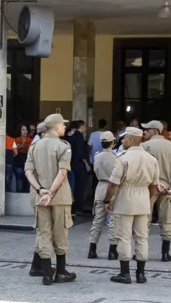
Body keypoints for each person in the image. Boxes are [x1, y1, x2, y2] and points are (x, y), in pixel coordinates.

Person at [103, 127, 159, 284]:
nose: (122, 141)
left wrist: (107, 201)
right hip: (143, 200)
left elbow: (113, 185)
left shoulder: (123, 158)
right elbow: (154, 186)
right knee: (142, 238)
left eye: (125, 138)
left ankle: (125, 273)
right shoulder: (151, 159)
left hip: (125, 200)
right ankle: (141, 274)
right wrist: (146, 198)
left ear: (133, 140)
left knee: (124, 237)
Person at [25, 113, 76, 286]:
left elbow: (28, 172)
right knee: (60, 232)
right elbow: (62, 172)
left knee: (43, 232)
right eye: (62, 125)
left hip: (40, 195)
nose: (64, 127)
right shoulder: (64, 146)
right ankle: (61, 271)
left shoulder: (35, 146)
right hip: (59, 196)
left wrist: (41, 190)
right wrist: (51, 192)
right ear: (56, 127)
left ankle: (46, 272)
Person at [141, 120, 171, 262]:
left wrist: (156, 182)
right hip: (167, 189)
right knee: (166, 221)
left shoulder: (145, 146)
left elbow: (143, 168)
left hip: (150, 188)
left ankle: (141, 253)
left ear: (155, 130)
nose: (144, 131)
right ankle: (165, 254)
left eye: (147, 129)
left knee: (144, 220)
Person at [88, 131, 118, 260]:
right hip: (113, 188)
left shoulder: (97, 156)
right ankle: (112, 250)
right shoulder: (117, 157)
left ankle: (92, 249)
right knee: (113, 220)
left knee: (97, 220)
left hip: (100, 187)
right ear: (112, 142)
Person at [65, 120, 90, 216]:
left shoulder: (68, 136)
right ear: (81, 127)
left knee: (72, 186)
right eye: (84, 126)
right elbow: (80, 152)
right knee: (80, 186)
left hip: (70, 164)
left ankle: (71, 208)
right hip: (79, 165)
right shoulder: (79, 136)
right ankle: (78, 207)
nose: (85, 129)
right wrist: (86, 164)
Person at [15, 124, 33, 192]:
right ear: (20, 131)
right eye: (23, 130)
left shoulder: (30, 140)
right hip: (19, 160)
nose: (25, 131)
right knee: (19, 179)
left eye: (26, 130)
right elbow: (14, 150)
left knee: (28, 179)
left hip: (27, 161)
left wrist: (21, 146)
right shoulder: (16, 139)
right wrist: (20, 146)